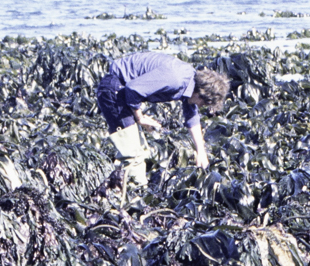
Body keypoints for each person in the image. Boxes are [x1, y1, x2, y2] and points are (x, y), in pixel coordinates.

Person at [97, 52, 230, 192]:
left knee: (141, 150)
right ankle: (133, 196)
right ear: (200, 94)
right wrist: (140, 117)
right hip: (115, 89)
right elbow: (133, 88)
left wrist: (201, 151)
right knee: (132, 155)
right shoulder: (176, 79)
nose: (200, 107)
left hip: (123, 91)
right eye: (203, 104)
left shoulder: (190, 79)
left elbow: (192, 117)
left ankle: (124, 188)